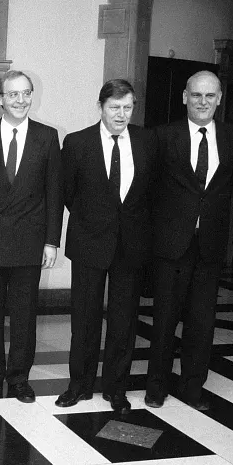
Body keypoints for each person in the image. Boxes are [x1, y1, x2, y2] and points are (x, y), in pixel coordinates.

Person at [146, 70, 233, 411]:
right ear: (185, 97)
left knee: (202, 321)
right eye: (197, 95)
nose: (203, 102)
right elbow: (150, 188)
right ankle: (156, 386)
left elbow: (231, 185)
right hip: (171, 244)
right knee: (164, 318)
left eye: (210, 96)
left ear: (219, 99)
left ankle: (192, 387)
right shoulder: (162, 136)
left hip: (210, 245)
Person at [0, 70, 63, 403]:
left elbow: (54, 194)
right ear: (0, 99)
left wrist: (51, 241)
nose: (21, 100)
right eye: (14, 94)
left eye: (26, 93)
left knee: (24, 315)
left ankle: (19, 378)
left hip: (29, 241)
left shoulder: (47, 137)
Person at [57, 79, 157, 414]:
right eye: (115, 107)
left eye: (128, 107)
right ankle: (79, 385)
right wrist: (94, 219)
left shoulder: (146, 140)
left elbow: (150, 193)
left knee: (123, 320)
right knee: (83, 318)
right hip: (89, 242)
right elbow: (67, 193)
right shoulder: (77, 142)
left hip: (131, 246)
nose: (121, 114)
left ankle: (116, 388)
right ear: (100, 106)